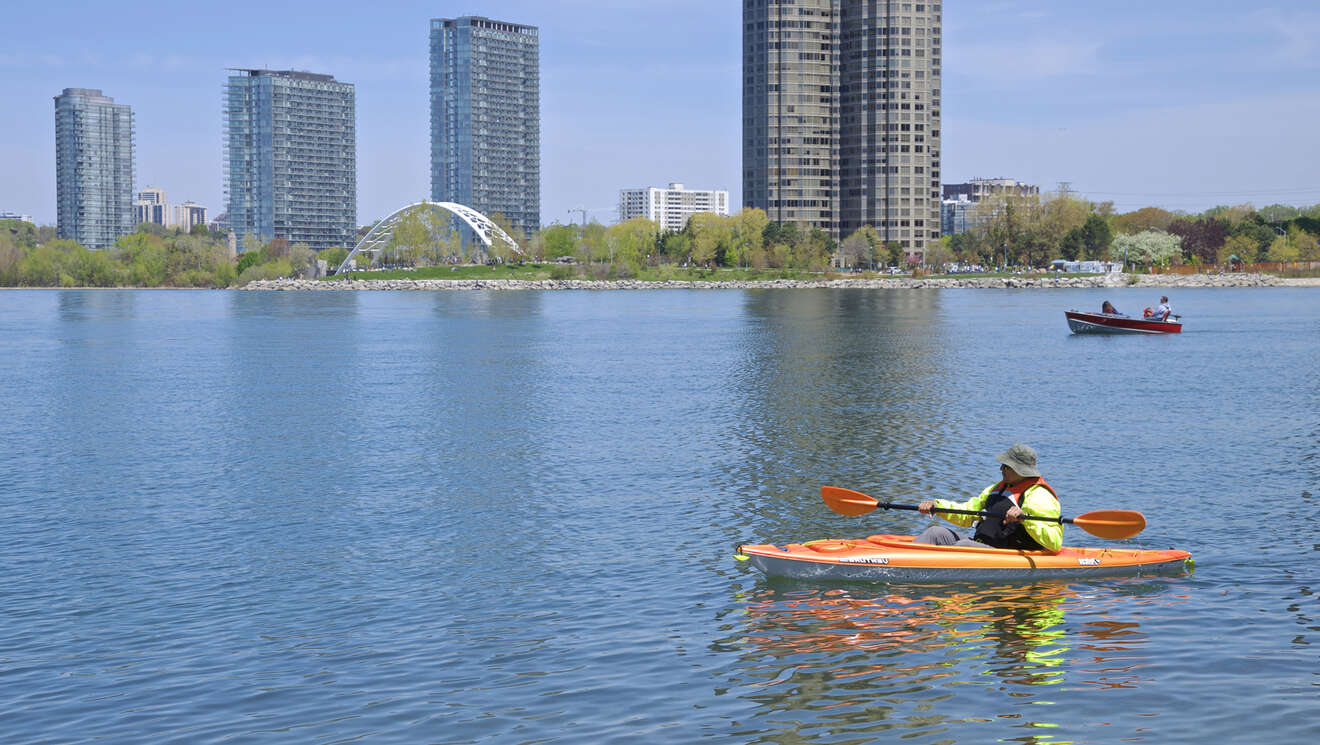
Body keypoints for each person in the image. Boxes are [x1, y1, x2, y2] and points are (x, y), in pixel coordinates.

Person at [913, 444, 1063, 553]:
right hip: (982, 547)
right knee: (935, 533)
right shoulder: (996, 489)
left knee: (964, 546)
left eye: (1006, 466)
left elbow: (1054, 542)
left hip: (1009, 554)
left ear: (1020, 469)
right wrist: (937, 506)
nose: (1001, 469)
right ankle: (903, 562)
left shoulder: (1039, 496)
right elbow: (967, 513)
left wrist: (1025, 519)